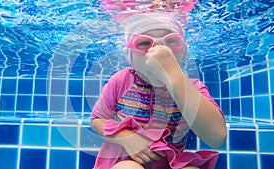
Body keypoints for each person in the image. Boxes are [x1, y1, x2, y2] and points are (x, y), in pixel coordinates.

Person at [90, 12, 227, 169]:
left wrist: (174, 76)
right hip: (127, 161)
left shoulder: (192, 87)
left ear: (183, 52)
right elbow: (97, 119)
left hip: (172, 164)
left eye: (170, 41)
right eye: (143, 43)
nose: (159, 51)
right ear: (129, 56)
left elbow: (217, 137)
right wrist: (126, 138)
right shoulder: (121, 81)